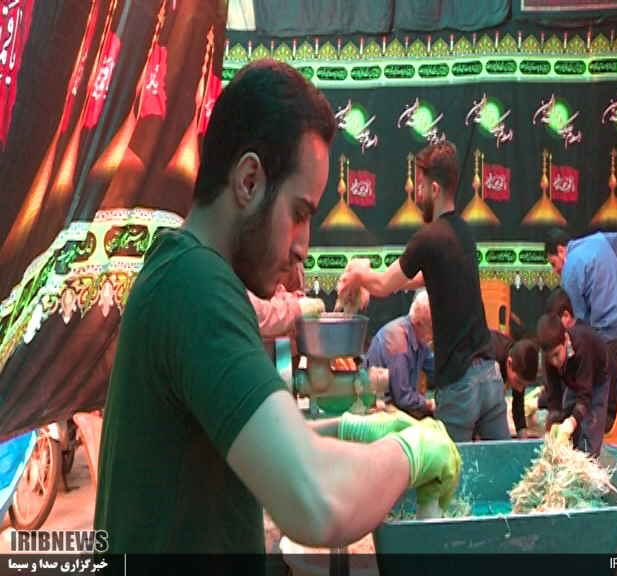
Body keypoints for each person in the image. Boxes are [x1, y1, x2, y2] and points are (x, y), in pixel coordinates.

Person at [94, 60, 460, 559]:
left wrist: (348, 430)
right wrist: (409, 455)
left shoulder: (182, 272)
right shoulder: (197, 287)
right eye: (299, 213)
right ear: (249, 181)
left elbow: (265, 442)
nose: (302, 247)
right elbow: (316, 501)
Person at [338, 141, 509, 443]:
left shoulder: (427, 238)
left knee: (451, 469)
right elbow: (424, 278)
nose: (417, 195)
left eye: (420, 187)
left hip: (460, 385)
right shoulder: (464, 232)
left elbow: (382, 285)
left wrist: (358, 274)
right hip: (490, 376)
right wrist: (383, 279)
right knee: (503, 464)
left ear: (434, 189)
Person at [545, 230, 617, 486]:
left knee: (590, 395)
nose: (555, 271)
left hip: (613, 333)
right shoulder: (597, 240)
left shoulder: (571, 270)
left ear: (562, 251)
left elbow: (576, 329)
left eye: (553, 263)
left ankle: (581, 472)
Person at [536, 314, 617, 458]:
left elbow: (585, 396)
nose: (554, 362)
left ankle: (586, 464)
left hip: (597, 381)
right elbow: (554, 395)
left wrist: (571, 422)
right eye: (550, 357)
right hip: (575, 382)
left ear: (565, 340)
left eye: (556, 354)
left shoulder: (582, 346)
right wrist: (555, 423)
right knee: (566, 420)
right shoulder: (550, 356)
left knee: (589, 432)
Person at [363, 290, 435, 419]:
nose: (435, 333)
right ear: (419, 324)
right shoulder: (399, 344)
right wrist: (429, 404)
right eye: (432, 327)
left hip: (399, 407)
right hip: (381, 412)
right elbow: (403, 397)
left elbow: (436, 369)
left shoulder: (420, 336)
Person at [247, 262, 324, 358]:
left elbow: (278, 293)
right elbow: (258, 314)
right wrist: (297, 309)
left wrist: (299, 300)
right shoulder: (237, 284)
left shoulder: (273, 276)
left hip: (282, 356)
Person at [489, 330, 540, 439]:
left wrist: (523, 438)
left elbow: (518, 406)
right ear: (509, 363)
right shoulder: (494, 358)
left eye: (524, 385)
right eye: (519, 382)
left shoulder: (519, 358)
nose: (520, 389)